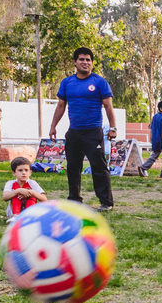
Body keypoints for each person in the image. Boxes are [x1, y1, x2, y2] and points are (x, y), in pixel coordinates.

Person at [48, 47, 117, 211]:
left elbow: (108, 106)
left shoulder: (99, 82)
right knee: (72, 167)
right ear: (75, 62)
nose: (85, 62)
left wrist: (113, 127)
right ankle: (74, 200)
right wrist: (53, 127)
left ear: (92, 63)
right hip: (74, 133)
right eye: (82, 59)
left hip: (93, 132)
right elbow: (60, 105)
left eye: (88, 60)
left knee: (98, 167)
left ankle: (106, 202)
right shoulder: (67, 83)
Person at [3, 156, 47, 221]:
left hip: (31, 212)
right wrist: (18, 191)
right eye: (20, 170)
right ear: (14, 173)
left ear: (30, 172)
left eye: (26, 170)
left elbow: (44, 199)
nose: (23, 173)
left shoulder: (33, 183)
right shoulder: (10, 183)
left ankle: (29, 216)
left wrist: (32, 193)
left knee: (32, 197)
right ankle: (15, 217)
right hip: (13, 212)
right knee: (15, 195)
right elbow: (5, 197)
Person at [140, 100, 162, 177]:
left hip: (155, 139)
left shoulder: (155, 117)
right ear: (161, 109)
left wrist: (151, 139)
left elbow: (151, 128)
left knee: (154, 156)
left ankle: (143, 167)